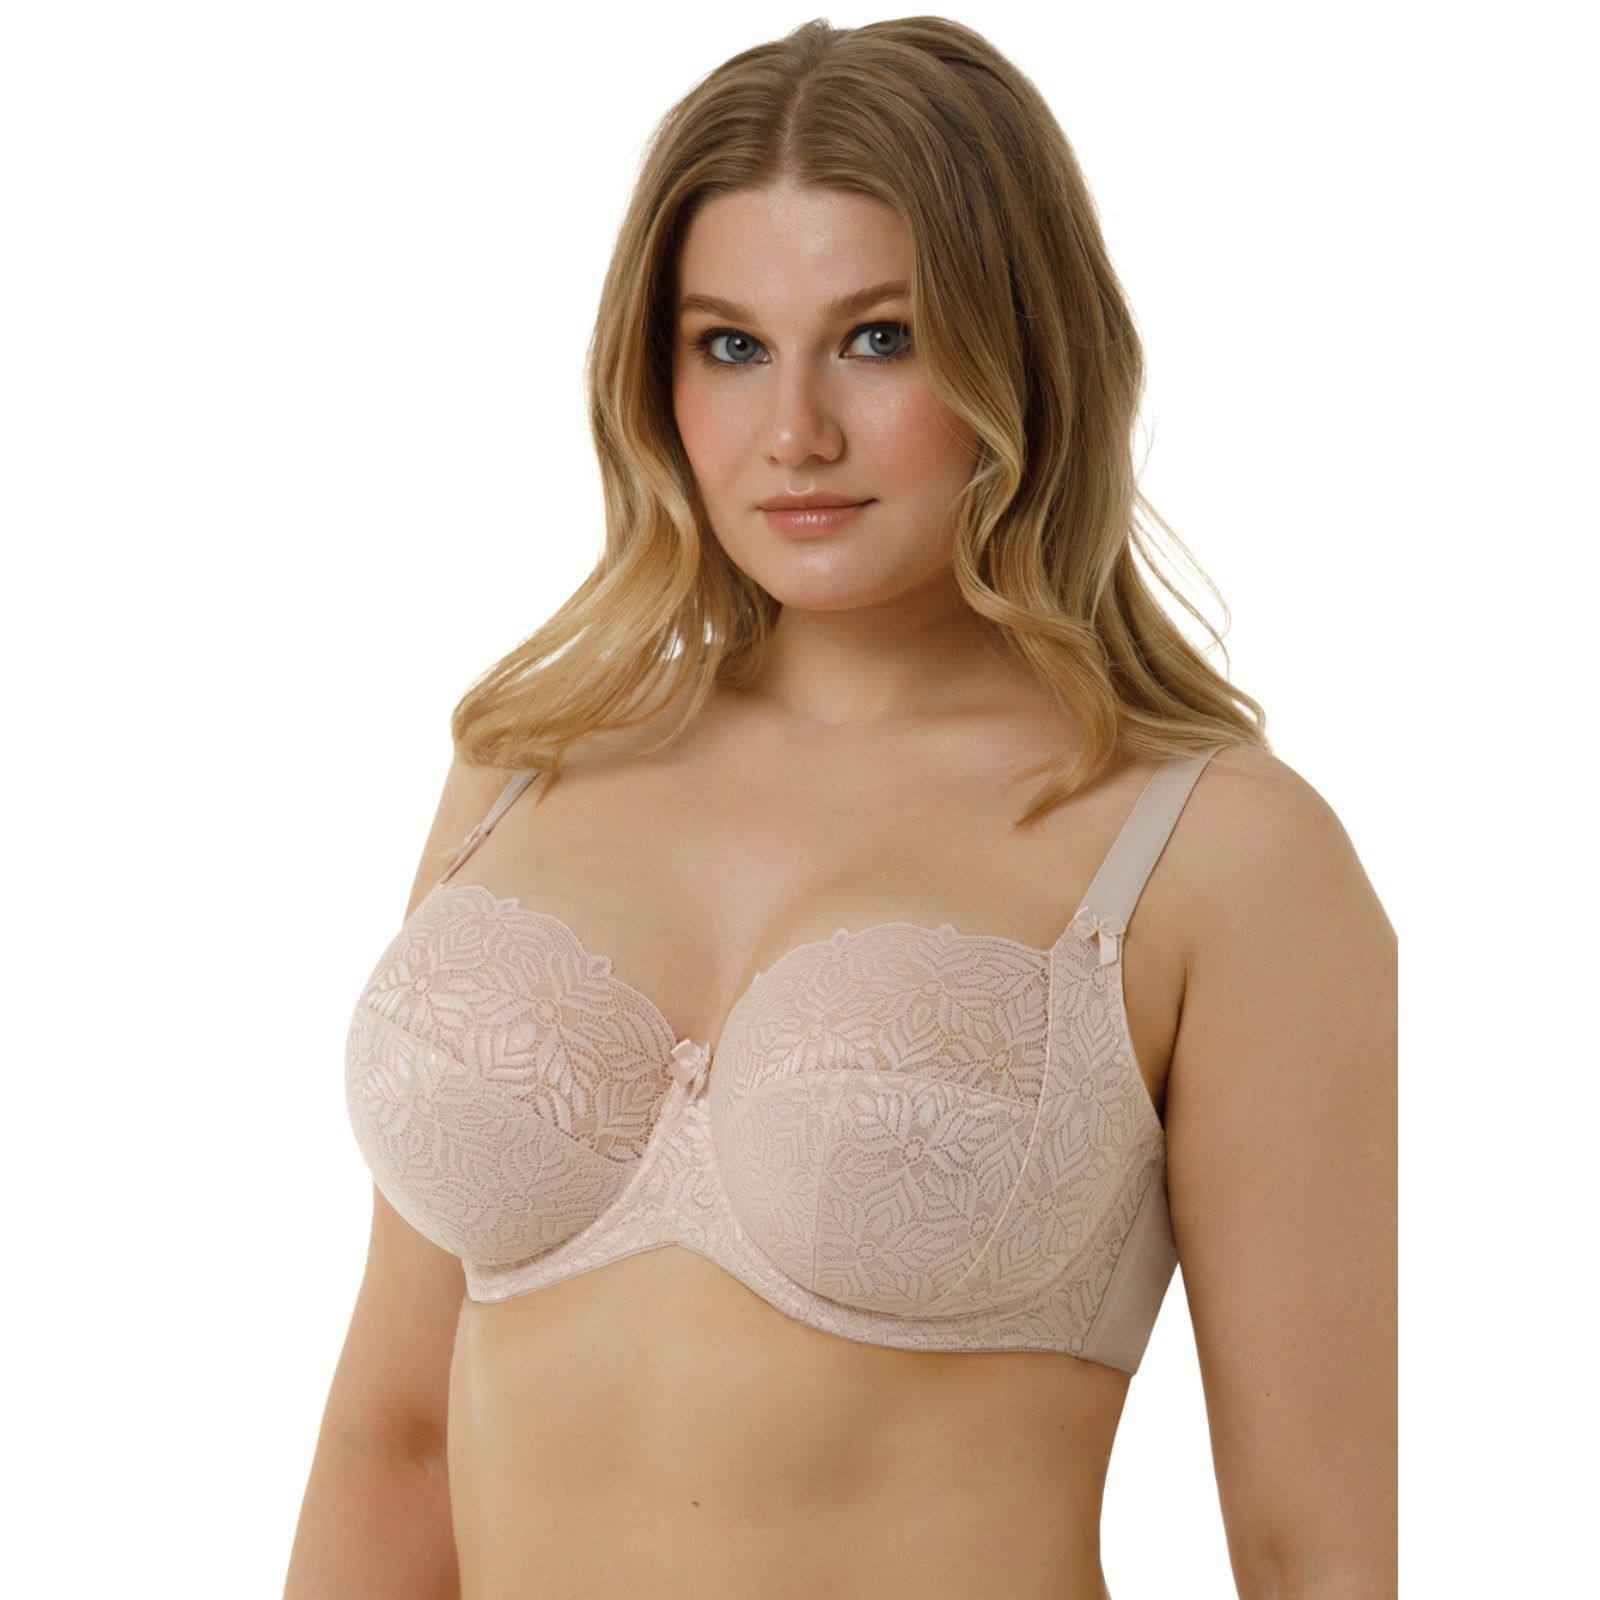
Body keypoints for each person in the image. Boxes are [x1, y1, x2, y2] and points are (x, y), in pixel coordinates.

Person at [285, 17, 1396, 1598]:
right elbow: (392, 1438)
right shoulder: (525, 766)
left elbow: (1312, 1551)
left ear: (1024, 355)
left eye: (879, 339)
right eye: (730, 346)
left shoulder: (1215, 853)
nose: (795, 432)